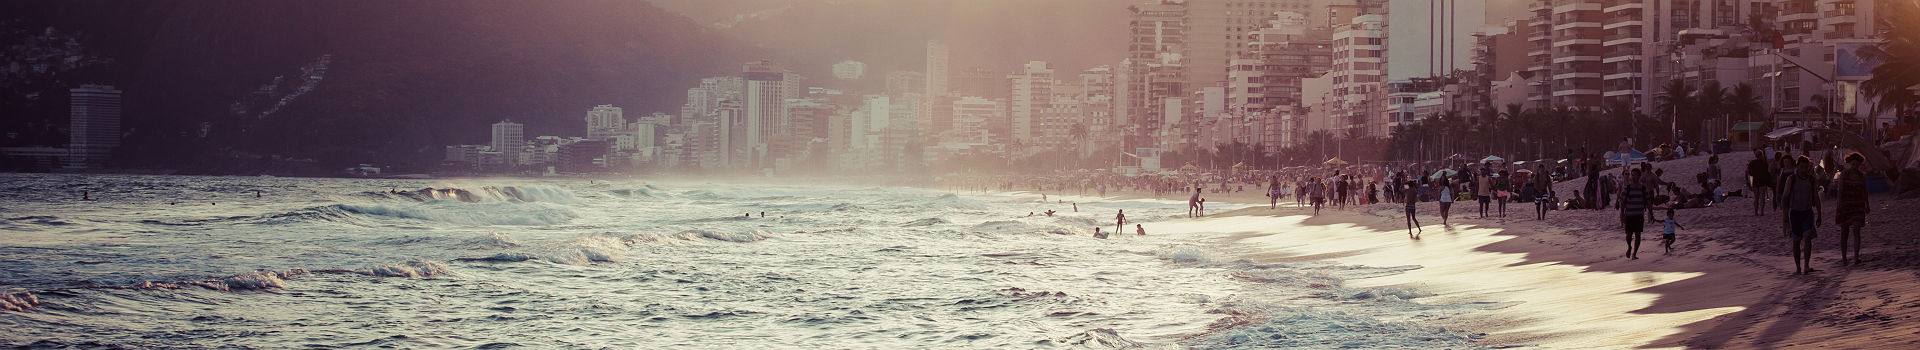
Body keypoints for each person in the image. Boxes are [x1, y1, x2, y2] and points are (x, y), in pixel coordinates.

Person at [1780, 156, 1823, 274]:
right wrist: (1784, 215)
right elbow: (1785, 197)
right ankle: (1798, 267)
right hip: (1794, 213)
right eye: (1801, 167)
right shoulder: (1791, 179)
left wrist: (1819, 213)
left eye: (1806, 167)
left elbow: (1816, 197)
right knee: (1796, 241)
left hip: (1807, 212)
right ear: (1797, 166)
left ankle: (1806, 265)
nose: (1803, 169)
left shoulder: (1812, 180)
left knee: (1808, 237)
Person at [1836, 152, 1871, 266]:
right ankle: (1844, 257)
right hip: (1846, 204)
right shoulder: (1844, 175)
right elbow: (1840, 191)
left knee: (1856, 228)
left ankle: (1856, 256)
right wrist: (1839, 205)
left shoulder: (1862, 176)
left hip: (1858, 204)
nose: (1855, 166)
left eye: (1857, 164)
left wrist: (1867, 204)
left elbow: (1865, 191)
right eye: (1853, 163)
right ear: (1850, 163)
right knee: (1844, 231)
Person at [1620, 169, 1650, 260]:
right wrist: (1622, 215)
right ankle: (1629, 247)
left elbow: (1648, 201)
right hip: (1629, 215)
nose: (1633, 177)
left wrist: (1651, 213)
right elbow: (1622, 202)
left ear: (1639, 176)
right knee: (1628, 235)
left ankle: (1634, 253)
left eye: (1635, 175)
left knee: (1638, 234)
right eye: (1632, 175)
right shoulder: (1627, 188)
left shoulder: (1643, 188)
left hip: (1639, 215)